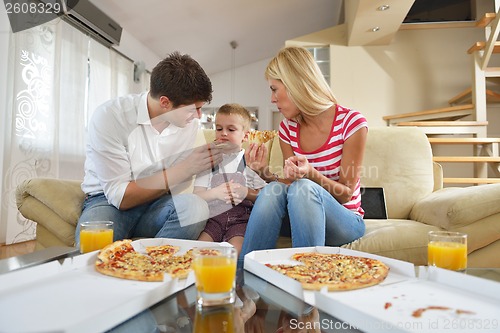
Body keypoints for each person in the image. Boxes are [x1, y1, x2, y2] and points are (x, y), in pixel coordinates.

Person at [75, 51, 223, 247]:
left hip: (158, 203)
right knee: (90, 249)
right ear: (164, 102)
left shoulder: (189, 126)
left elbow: (176, 187)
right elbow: (120, 197)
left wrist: (205, 167)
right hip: (107, 202)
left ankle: (151, 266)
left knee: (195, 208)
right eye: (192, 109)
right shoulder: (111, 116)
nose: (197, 116)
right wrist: (186, 168)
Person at [240, 46, 368, 258]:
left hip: (344, 220)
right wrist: (263, 171)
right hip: (300, 215)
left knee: (305, 188)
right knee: (273, 193)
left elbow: (345, 194)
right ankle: (244, 277)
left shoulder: (351, 123)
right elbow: (289, 185)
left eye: (274, 89)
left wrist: (310, 174)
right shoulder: (287, 128)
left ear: (295, 85)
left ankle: (306, 276)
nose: (272, 99)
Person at [194, 103, 267, 254]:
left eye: (231, 129)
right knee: (199, 251)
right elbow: (196, 196)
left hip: (240, 223)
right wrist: (215, 193)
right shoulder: (209, 160)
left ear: (245, 136)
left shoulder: (251, 161)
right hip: (212, 220)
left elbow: (265, 196)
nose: (224, 133)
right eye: (219, 128)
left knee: (236, 251)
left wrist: (246, 192)